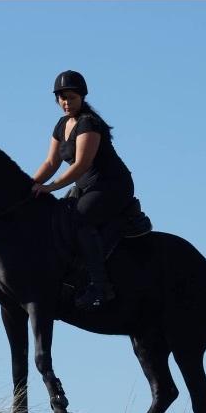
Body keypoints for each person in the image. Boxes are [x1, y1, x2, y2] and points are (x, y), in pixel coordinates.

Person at [31, 70, 135, 310]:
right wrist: (28, 185)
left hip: (111, 185)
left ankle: (101, 286)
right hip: (85, 187)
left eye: (72, 97)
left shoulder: (89, 122)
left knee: (78, 218)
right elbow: (50, 163)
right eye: (62, 98)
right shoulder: (61, 124)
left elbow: (81, 165)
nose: (66, 102)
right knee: (56, 219)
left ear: (82, 97)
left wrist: (50, 187)